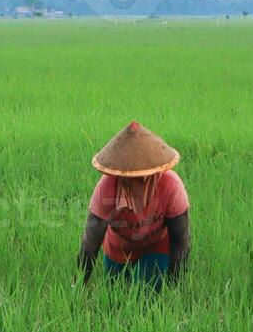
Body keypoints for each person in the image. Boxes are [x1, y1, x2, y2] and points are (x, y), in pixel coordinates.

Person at [77, 122, 191, 290]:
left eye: (142, 179)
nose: (138, 184)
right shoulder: (107, 187)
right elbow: (90, 243)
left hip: (156, 246)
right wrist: (78, 286)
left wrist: (174, 286)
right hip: (118, 248)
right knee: (117, 294)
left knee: (146, 293)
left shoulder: (171, 186)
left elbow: (180, 241)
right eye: (132, 180)